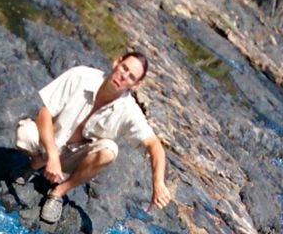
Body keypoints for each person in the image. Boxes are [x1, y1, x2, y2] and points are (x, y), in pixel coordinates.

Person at [14, 50, 172, 223]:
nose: (123, 76)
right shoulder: (81, 76)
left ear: (135, 85)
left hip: (73, 159)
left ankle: (58, 192)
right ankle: (37, 163)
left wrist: (158, 183)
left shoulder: (129, 111)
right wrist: (52, 155)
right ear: (116, 62)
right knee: (25, 134)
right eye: (124, 68)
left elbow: (154, 145)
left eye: (131, 77)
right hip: (49, 141)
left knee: (110, 150)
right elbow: (44, 113)